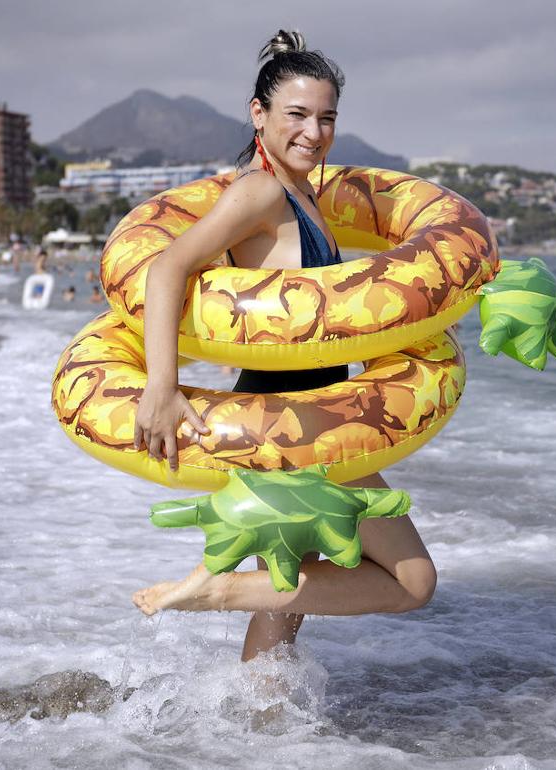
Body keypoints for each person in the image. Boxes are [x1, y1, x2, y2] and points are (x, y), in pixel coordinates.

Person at [131, 30, 437, 663]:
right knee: (412, 581)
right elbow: (168, 269)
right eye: (296, 115)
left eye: (326, 117)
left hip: (311, 418)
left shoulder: (305, 196)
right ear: (259, 114)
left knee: (292, 593)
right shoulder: (261, 192)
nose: (314, 131)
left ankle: (261, 724)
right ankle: (215, 593)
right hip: (291, 424)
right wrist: (161, 387)